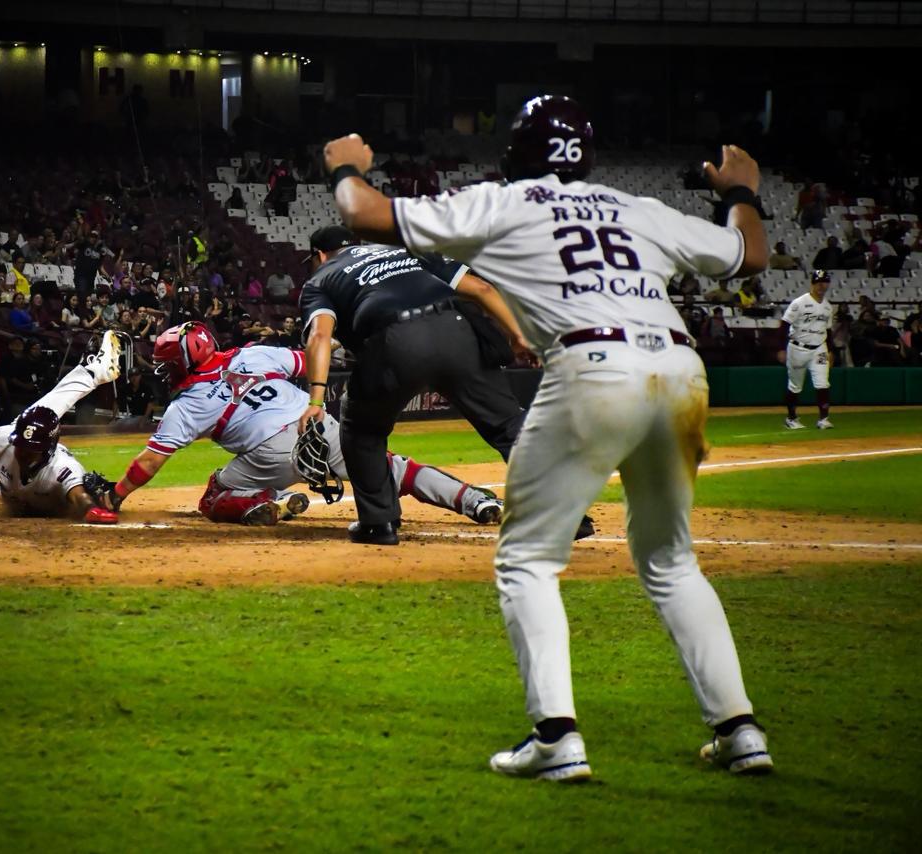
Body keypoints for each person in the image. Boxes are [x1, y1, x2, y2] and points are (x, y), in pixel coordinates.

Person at [322, 95, 773, 779]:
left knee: (528, 559)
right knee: (671, 562)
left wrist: (347, 167)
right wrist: (742, 189)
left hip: (593, 366)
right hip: (680, 370)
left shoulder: (508, 202)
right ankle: (740, 731)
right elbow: (750, 254)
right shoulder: (635, 207)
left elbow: (361, 214)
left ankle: (557, 737)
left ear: (515, 152)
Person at [298, 226, 593, 545]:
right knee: (509, 424)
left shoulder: (321, 278)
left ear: (320, 255)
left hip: (395, 342)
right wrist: (518, 336)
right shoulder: (405, 250)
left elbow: (320, 336)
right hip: (457, 330)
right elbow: (481, 288)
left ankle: (378, 524)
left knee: (361, 431)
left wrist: (316, 399)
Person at [95, 322, 502, 528]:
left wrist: (115, 496)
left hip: (269, 454)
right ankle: (476, 501)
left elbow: (150, 462)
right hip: (317, 422)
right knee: (394, 468)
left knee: (215, 494)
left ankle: (266, 502)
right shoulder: (253, 355)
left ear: (181, 363)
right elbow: (311, 359)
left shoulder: (186, 404)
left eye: (168, 364)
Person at [0, 331, 122, 520]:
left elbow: (80, 497)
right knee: (41, 414)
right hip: (9, 477)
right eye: (21, 446)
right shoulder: (5, 440)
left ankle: (93, 370)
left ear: (47, 449)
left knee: (76, 494)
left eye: (30, 450)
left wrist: (91, 509)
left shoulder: (61, 466)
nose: (22, 452)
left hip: (20, 490)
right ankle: (94, 369)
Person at [780, 270, 836, 429]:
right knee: (795, 385)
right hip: (798, 348)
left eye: (824, 282)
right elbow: (784, 324)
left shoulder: (827, 306)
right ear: (812, 283)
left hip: (819, 348)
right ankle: (791, 418)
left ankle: (823, 419)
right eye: (818, 282)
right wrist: (780, 348)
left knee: (822, 382)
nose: (821, 285)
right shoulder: (799, 302)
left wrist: (831, 351)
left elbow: (829, 330)